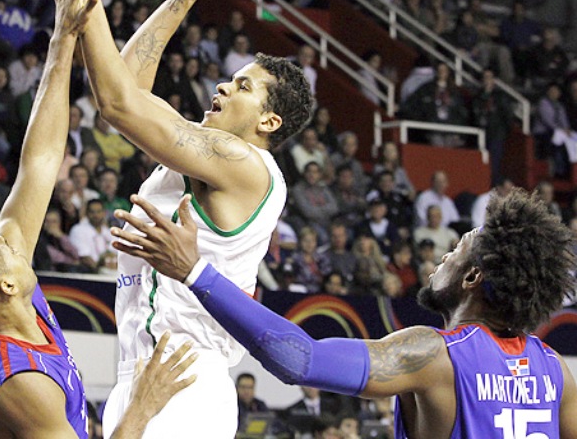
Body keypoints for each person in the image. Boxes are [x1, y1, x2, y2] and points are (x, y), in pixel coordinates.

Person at [61, 0, 313, 439]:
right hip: (146, 373)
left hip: (184, 380)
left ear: (269, 122)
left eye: (243, 86)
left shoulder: (242, 162)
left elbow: (116, 103)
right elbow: (121, 88)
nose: (223, 84)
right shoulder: (205, 156)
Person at [0, 0, 196, 438]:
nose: (16, 240)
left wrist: (64, 34)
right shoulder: (24, 384)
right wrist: (142, 407)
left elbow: (40, 161)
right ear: (6, 285)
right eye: (8, 250)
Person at [111, 188, 577, 439]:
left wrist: (195, 272)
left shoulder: (436, 354)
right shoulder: (556, 371)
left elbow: (302, 360)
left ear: (472, 278)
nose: (441, 256)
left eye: (455, 251)